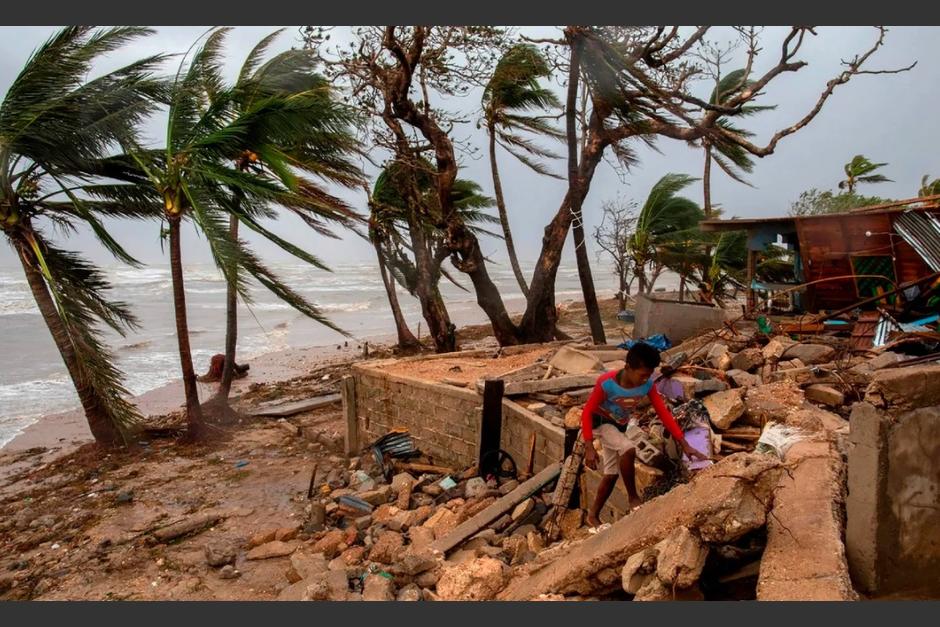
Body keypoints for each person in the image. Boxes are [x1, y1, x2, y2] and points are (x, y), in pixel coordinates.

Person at [581, 342, 708, 527]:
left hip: (620, 426)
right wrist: (589, 445)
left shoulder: (647, 385)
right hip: (601, 424)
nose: (645, 379)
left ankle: (592, 516)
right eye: (642, 375)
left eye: (648, 375)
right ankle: (634, 498)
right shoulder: (606, 383)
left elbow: (663, 414)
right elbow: (586, 412)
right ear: (628, 368)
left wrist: (685, 444)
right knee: (628, 448)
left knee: (611, 474)